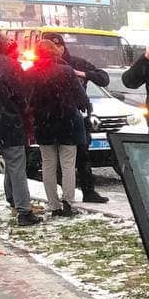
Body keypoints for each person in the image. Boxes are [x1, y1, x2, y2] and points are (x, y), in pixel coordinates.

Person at [0, 27, 41, 226]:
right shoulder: (8, 65)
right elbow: (23, 94)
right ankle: (24, 212)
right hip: (9, 125)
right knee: (16, 169)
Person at [43, 32, 109, 203]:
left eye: (59, 45)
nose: (56, 49)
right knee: (56, 163)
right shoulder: (40, 67)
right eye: (52, 45)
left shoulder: (76, 63)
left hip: (76, 117)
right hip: (50, 118)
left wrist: (83, 74)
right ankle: (61, 198)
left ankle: (87, 191)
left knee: (82, 156)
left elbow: (103, 78)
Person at [28, 38, 88, 217]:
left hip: (44, 124)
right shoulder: (66, 71)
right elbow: (80, 95)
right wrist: (84, 106)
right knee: (68, 164)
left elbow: (28, 99)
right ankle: (68, 202)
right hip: (68, 122)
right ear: (55, 52)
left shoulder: (31, 73)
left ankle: (54, 205)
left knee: (48, 165)